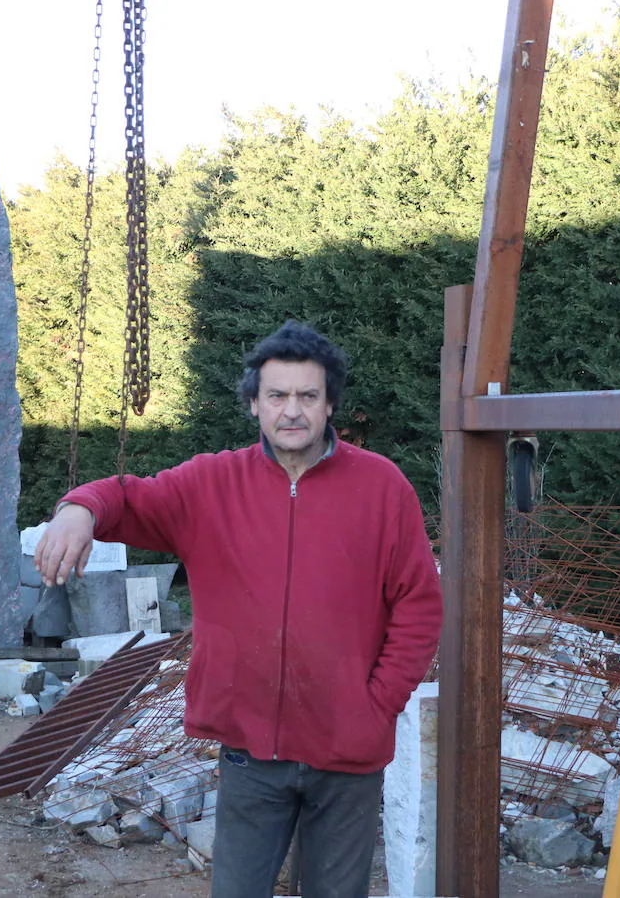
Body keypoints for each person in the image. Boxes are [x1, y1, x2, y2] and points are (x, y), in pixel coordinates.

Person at [35, 320, 442, 898]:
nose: (292, 411)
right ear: (254, 404)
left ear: (330, 406)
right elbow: (124, 496)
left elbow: (419, 605)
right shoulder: (209, 484)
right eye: (277, 396)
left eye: (308, 396)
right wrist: (76, 509)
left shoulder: (382, 487)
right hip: (251, 752)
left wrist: (376, 704)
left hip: (349, 752)